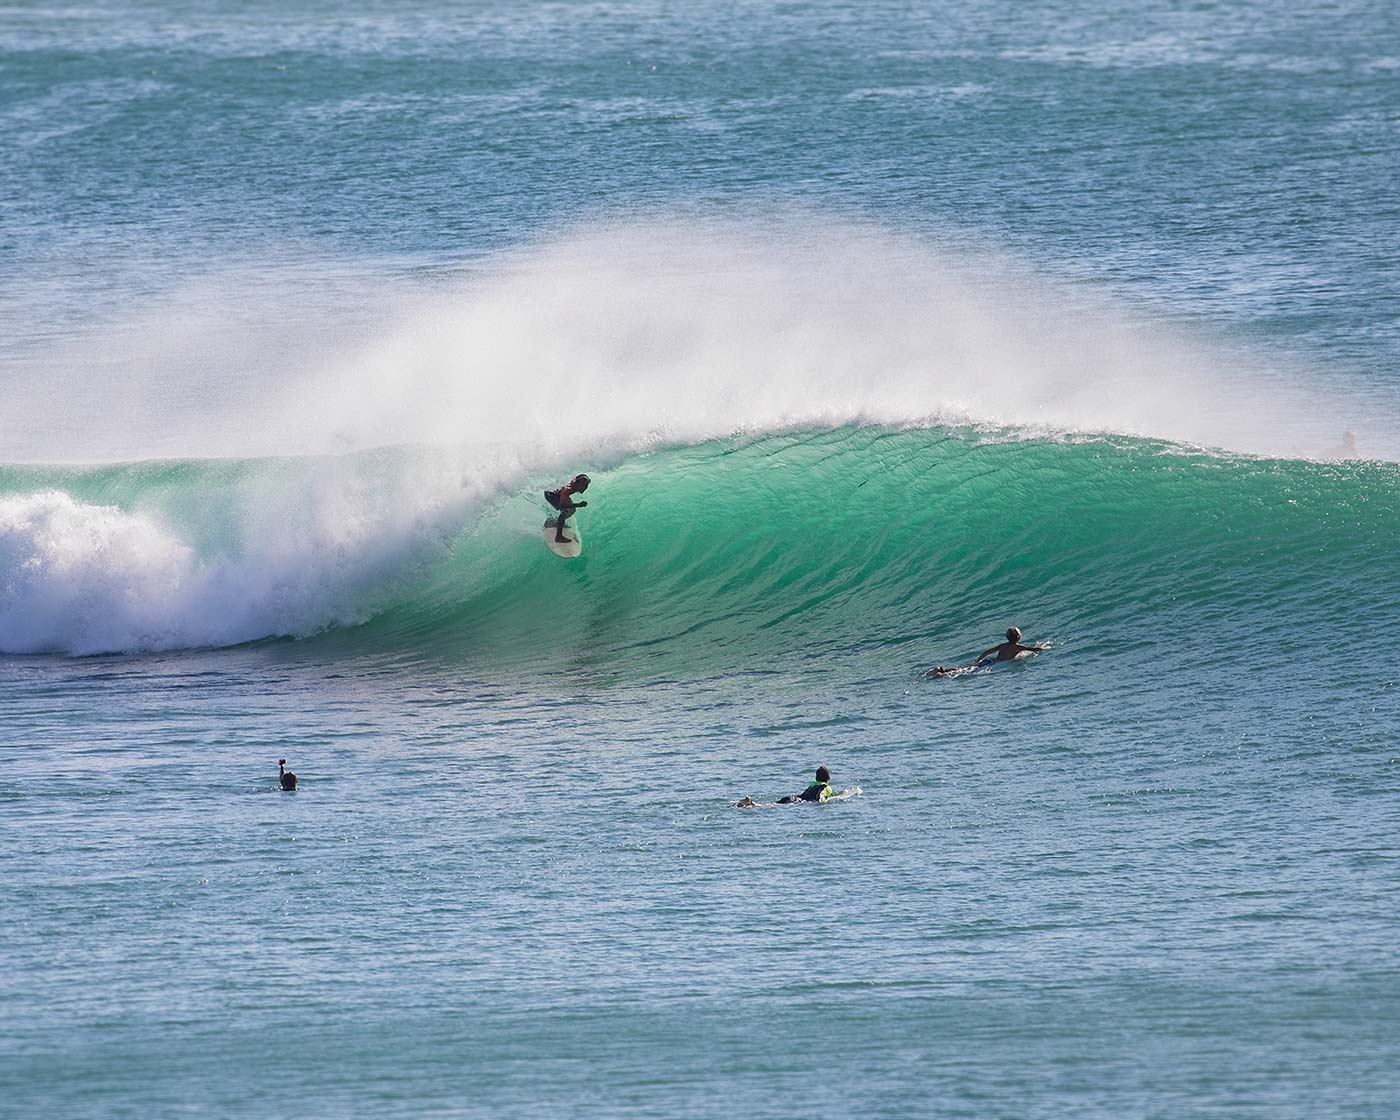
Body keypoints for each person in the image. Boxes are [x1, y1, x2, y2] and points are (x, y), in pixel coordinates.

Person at [926, 627, 1050, 677]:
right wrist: (1043, 647)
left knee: (965, 668)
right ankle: (941, 675)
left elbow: (987, 651)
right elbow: (1034, 650)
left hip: (988, 661)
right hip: (992, 664)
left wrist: (978, 660)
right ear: (1019, 637)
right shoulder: (1019, 647)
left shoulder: (1002, 645)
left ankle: (941, 669)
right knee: (965, 671)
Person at [737, 766, 836, 807]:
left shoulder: (812, 784)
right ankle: (752, 804)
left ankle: (751, 803)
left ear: (816, 778)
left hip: (793, 797)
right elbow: (820, 793)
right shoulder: (826, 786)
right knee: (773, 806)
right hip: (799, 801)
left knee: (773, 804)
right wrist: (819, 802)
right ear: (828, 778)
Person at [545, 474, 591, 544]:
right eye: (583, 485)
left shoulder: (575, 483)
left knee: (572, 509)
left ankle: (557, 522)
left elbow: (579, 477)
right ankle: (558, 537)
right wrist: (579, 504)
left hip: (557, 494)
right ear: (577, 484)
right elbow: (562, 505)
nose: (584, 488)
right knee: (566, 511)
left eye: (586, 486)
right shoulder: (568, 490)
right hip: (551, 495)